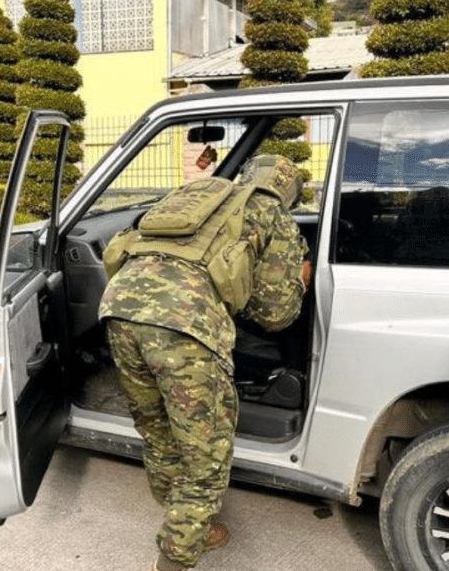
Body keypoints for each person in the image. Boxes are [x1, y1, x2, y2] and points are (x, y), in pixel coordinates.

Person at [99, 154, 310, 571]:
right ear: (288, 191)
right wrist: (300, 282)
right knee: (205, 454)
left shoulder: (198, 191)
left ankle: (185, 520)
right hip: (185, 326)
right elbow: (273, 314)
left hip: (119, 311)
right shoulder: (275, 215)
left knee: (158, 430)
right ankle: (176, 557)